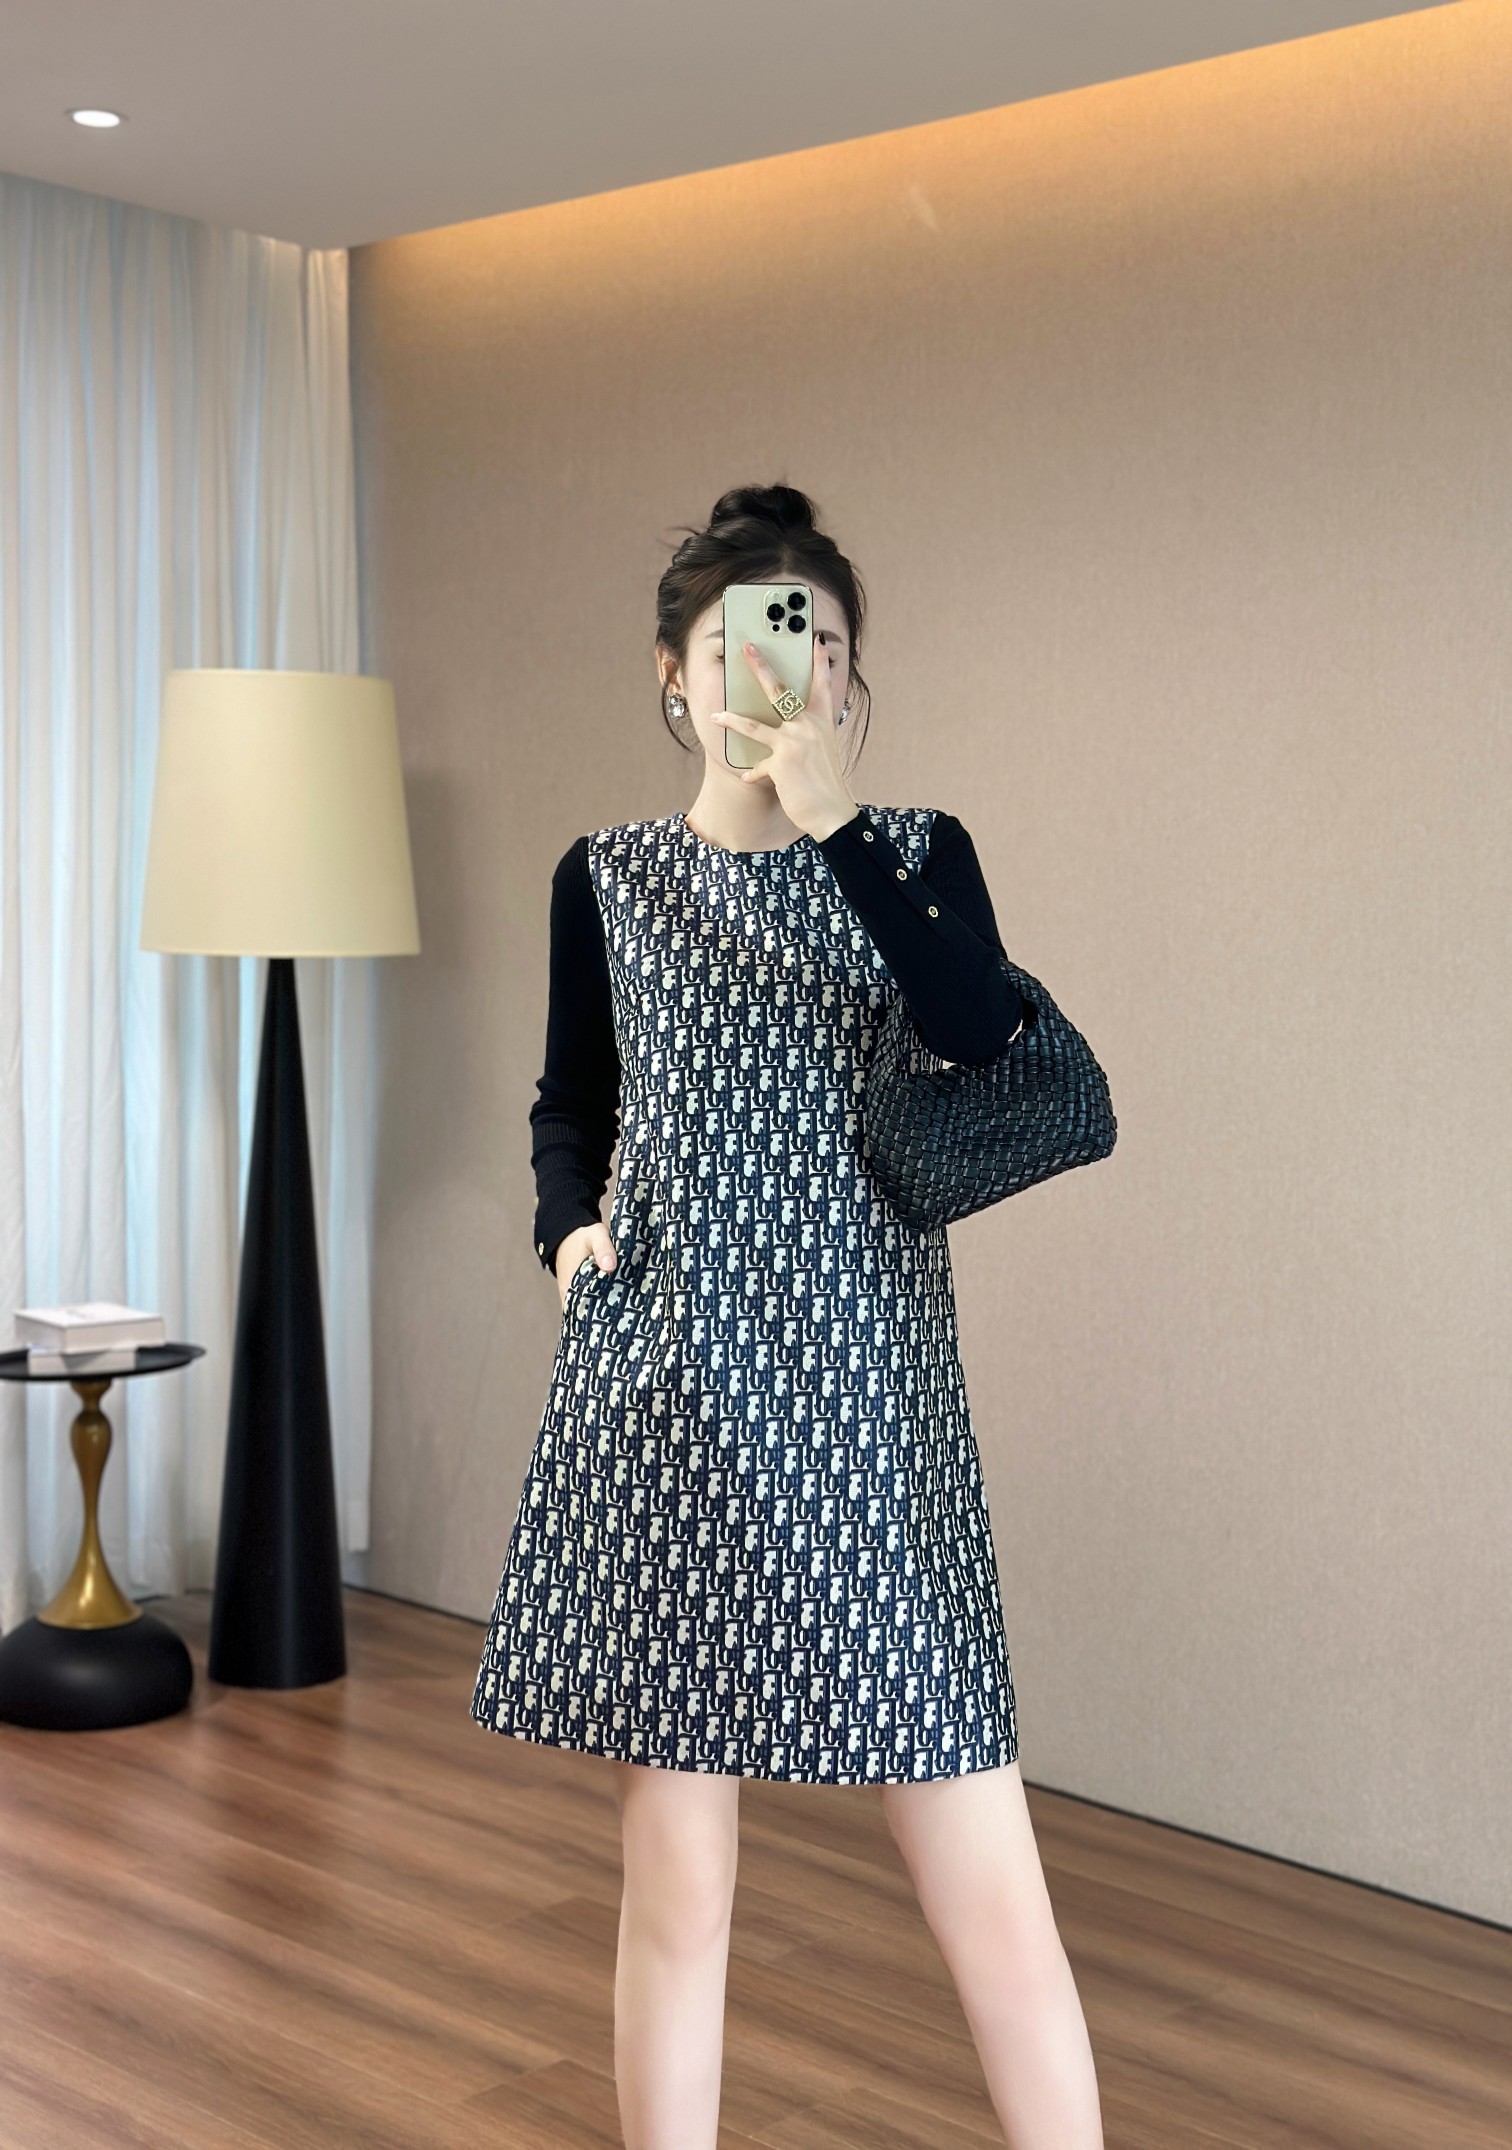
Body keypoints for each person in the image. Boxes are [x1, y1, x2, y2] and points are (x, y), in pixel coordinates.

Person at [471, 484, 1105, 2148]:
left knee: (988, 1884)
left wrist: (833, 824)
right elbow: (570, 1099)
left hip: (870, 1402)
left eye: (815, 639)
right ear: (674, 673)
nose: (784, 665)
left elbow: (980, 1032)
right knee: (678, 1882)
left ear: (844, 672)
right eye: (746, 637)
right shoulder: (605, 878)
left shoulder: (918, 854)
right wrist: (568, 1230)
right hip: (671, 1395)